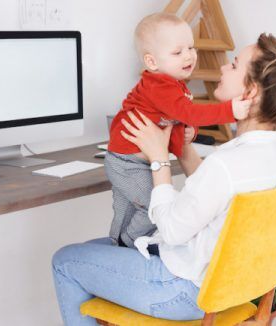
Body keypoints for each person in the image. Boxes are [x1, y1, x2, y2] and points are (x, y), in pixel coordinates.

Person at [52, 33, 276, 325]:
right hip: (228, 288)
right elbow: (217, 195)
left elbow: (171, 231)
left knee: (66, 261)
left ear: (251, 93)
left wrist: (158, 159)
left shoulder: (224, 165)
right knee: (96, 251)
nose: (222, 69)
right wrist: (183, 147)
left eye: (234, 65)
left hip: (183, 290)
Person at [106, 12, 251, 248]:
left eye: (191, 48)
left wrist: (190, 131)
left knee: (125, 209)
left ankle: (119, 243)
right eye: (177, 52)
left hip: (133, 160)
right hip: (127, 163)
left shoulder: (173, 85)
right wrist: (230, 111)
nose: (189, 56)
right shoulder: (159, 85)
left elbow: (178, 118)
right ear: (152, 62)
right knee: (151, 206)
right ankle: (130, 241)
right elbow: (188, 113)